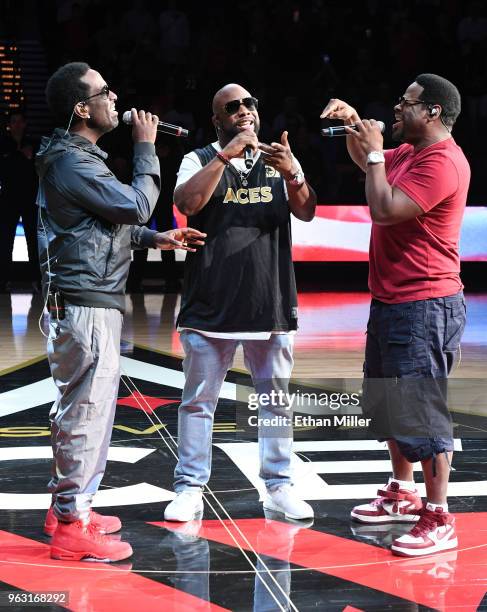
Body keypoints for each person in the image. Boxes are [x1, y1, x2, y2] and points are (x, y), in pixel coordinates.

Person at [37, 62, 205, 562]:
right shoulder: (74, 163)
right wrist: (147, 147)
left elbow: (109, 225)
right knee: (87, 411)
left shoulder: (77, 158)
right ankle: (72, 523)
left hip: (86, 297)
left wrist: (157, 237)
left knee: (79, 408)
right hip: (86, 301)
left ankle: (65, 506)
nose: (117, 99)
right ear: (81, 108)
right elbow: (134, 204)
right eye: (105, 92)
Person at [321, 73, 469, 557]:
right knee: (387, 404)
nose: (396, 109)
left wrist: (375, 153)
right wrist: (353, 131)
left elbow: (384, 208)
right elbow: (371, 168)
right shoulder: (407, 153)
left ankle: (439, 514)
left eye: (406, 103)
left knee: (422, 412)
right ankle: (402, 492)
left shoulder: (443, 162)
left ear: (432, 112)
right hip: (392, 301)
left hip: (425, 305)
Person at [164, 83, 317, 523]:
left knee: (274, 401)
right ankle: (190, 487)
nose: (244, 111)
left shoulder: (279, 157)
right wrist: (225, 155)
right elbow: (187, 203)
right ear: (217, 120)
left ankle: (279, 486)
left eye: (250, 103)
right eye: (232, 107)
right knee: (198, 401)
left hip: (269, 300)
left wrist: (294, 173)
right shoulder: (198, 158)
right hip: (210, 300)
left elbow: (306, 211)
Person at [0, 110, 40, 292]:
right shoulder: (3, 143)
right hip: (8, 198)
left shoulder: (33, 143)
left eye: (19, 121)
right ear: (9, 124)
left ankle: (36, 279)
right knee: (5, 240)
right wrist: (19, 155)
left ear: (24, 123)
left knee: (34, 239)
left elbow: (38, 166)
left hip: (30, 198)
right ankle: (4, 280)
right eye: (13, 121)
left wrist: (20, 156)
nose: (16, 124)